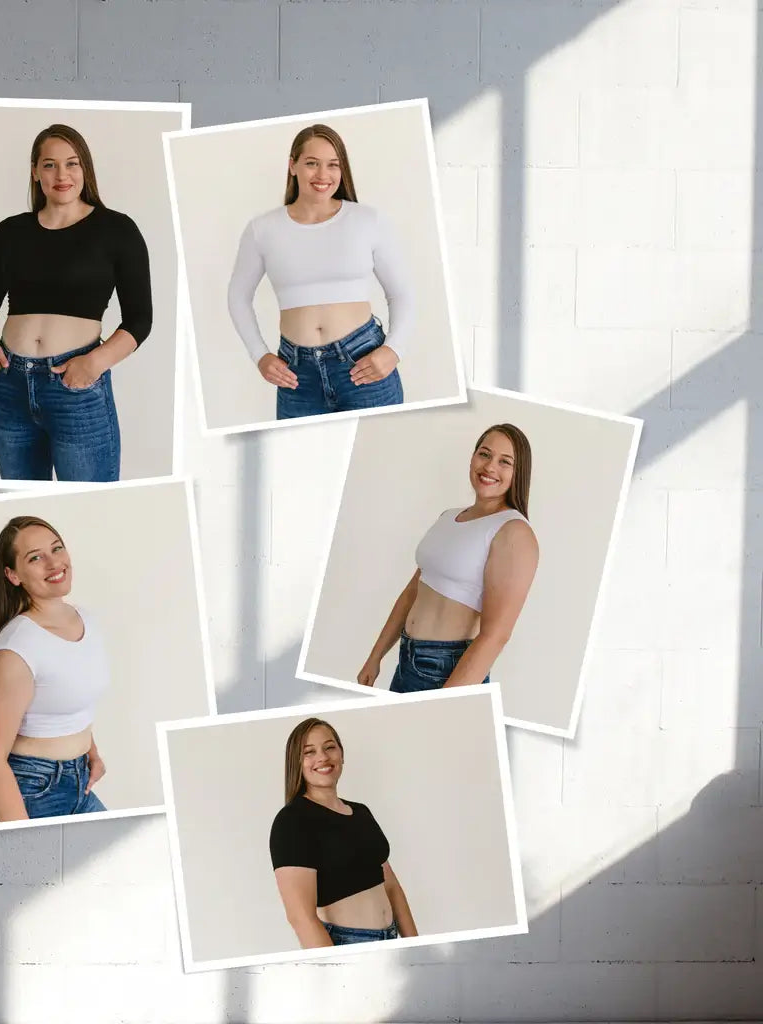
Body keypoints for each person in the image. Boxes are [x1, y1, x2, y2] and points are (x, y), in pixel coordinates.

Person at [0, 124, 153, 482]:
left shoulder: (117, 230)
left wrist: (95, 363)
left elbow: (139, 319)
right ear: (35, 172)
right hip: (10, 386)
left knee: (88, 508)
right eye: (50, 165)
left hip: (78, 388)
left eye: (72, 163)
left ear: (85, 169)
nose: (62, 175)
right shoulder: (11, 231)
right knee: (23, 506)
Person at [227, 123, 414, 420]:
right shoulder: (262, 229)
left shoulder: (367, 221)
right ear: (293, 166)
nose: (322, 175)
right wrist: (259, 355)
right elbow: (238, 296)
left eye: (333, 165)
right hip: (296, 376)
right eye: (311, 163)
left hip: (362, 366)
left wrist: (393, 350)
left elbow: (401, 293)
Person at [358, 424, 539, 692]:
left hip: (447, 670)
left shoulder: (513, 532)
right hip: (408, 659)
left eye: (505, 462)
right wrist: (376, 655)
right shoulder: (449, 516)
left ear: (518, 472)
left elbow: (495, 636)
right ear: (472, 457)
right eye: (485, 454)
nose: (490, 467)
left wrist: (447, 701)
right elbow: (412, 592)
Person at [0, 515, 110, 823]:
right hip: (31, 792)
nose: (53, 563)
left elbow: (67, 694)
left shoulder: (85, 618)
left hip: (79, 784)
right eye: (35, 557)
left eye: (57, 548)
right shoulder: (16, 649)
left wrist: (90, 751)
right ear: (13, 575)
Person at [269, 718, 417, 947]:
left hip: (391, 939)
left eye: (329, 747)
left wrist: (416, 947)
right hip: (346, 944)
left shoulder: (361, 812)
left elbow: (391, 886)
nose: (323, 757)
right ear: (296, 762)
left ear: (341, 754)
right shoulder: (292, 821)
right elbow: (301, 918)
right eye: (309, 752)